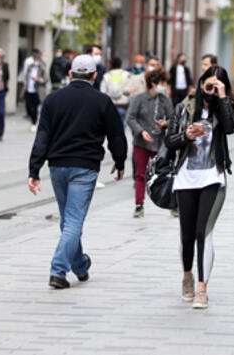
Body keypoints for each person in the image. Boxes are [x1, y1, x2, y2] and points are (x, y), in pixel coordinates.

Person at [28, 54, 127, 290]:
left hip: (58, 167)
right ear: (94, 76)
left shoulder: (53, 100)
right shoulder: (102, 101)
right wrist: (120, 161)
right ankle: (58, 271)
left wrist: (34, 169)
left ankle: (80, 265)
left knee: (68, 221)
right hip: (85, 167)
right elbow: (116, 135)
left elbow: (42, 136)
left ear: (70, 74)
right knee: (73, 221)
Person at [165, 65, 234, 310]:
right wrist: (185, 135)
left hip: (213, 177)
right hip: (186, 177)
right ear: (200, 83)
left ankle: (202, 288)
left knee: (203, 231)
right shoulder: (184, 107)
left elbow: (231, 128)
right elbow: (170, 141)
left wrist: (223, 97)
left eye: (218, 83)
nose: (212, 87)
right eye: (209, 82)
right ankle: (187, 276)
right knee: (186, 235)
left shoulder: (223, 106)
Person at [126, 68, 174, 218]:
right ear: (153, 83)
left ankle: (172, 203)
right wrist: (141, 131)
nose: (164, 85)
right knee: (141, 174)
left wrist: (165, 124)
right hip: (142, 142)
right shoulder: (140, 98)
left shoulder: (165, 100)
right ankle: (139, 205)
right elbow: (130, 118)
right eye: (162, 82)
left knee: (165, 174)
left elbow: (174, 119)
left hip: (159, 142)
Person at [20, 49, 48, 131]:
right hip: (29, 89)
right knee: (28, 106)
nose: (35, 59)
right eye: (34, 58)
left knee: (35, 107)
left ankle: (34, 122)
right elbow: (26, 76)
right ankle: (32, 118)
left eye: (37, 58)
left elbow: (46, 79)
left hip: (37, 90)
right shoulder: (30, 66)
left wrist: (38, 79)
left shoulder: (42, 67)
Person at [100, 57, 131, 127]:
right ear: (121, 64)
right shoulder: (126, 75)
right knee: (122, 128)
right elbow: (129, 90)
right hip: (123, 106)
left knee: (110, 129)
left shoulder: (106, 75)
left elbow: (102, 91)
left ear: (111, 65)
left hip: (110, 106)